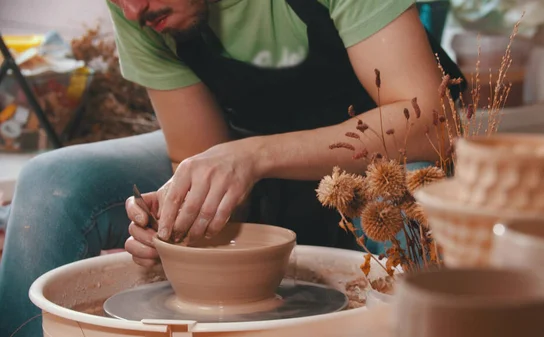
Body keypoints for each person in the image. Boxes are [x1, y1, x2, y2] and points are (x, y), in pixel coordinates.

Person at [0, 0, 464, 335]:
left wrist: (256, 156)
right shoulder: (142, 9)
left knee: (408, 203)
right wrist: (180, 215)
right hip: (242, 149)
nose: (132, 11)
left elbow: (432, 122)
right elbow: (198, 152)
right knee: (49, 182)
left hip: (376, 154)